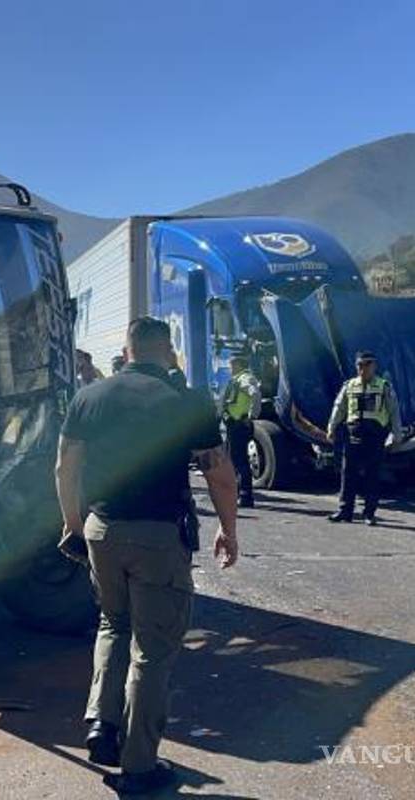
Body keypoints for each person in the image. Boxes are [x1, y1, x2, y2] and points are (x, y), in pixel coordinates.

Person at [56, 316, 240, 795]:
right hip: (158, 536)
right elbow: (220, 475)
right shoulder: (187, 401)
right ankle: (139, 769)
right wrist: (228, 530)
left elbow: (65, 467)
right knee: (153, 650)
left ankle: (102, 721)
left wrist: (74, 526)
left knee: (113, 623)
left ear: (128, 348)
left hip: (101, 530)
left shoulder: (89, 395)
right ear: (169, 349)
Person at [325, 351, 402, 526]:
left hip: (374, 436)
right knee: (348, 474)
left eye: (367, 364)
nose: (363, 369)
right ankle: (345, 511)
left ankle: (369, 513)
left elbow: (393, 411)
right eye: (360, 365)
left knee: (372, 475)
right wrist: (331, 427)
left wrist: (397, 434)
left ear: (374, 366)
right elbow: (339, 407)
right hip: (353, 434)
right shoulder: (350, 385)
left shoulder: (384, 386)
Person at [219, 356, 262, 507]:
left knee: (240, 461)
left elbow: (255, 394)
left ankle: (246, 496)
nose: (229, 369)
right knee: (234, 460)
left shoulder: (245, 378)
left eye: (231, 366)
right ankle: (238, 493)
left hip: (239, 425)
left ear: (237, 365)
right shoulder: (238, 379)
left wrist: (251, 416)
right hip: (233, 424)